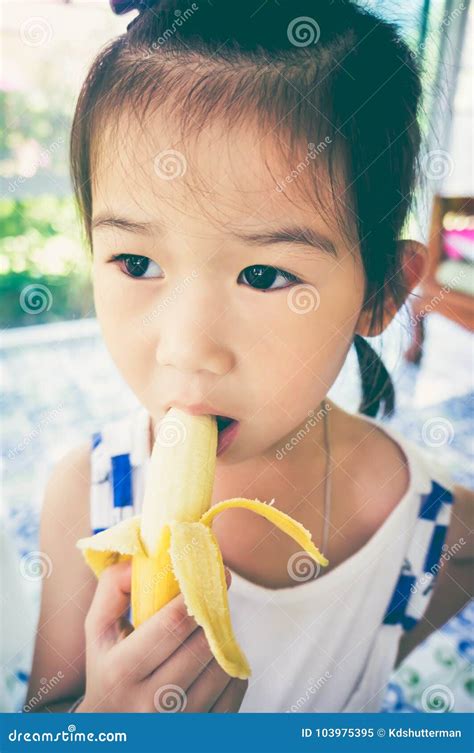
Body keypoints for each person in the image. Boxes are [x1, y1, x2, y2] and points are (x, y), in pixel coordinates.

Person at [26, 0, 473, 713]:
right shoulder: (85, 494)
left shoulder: (435, 531)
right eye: (137, 261)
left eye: (264, 276)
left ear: (383, 293)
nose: (187, 351)